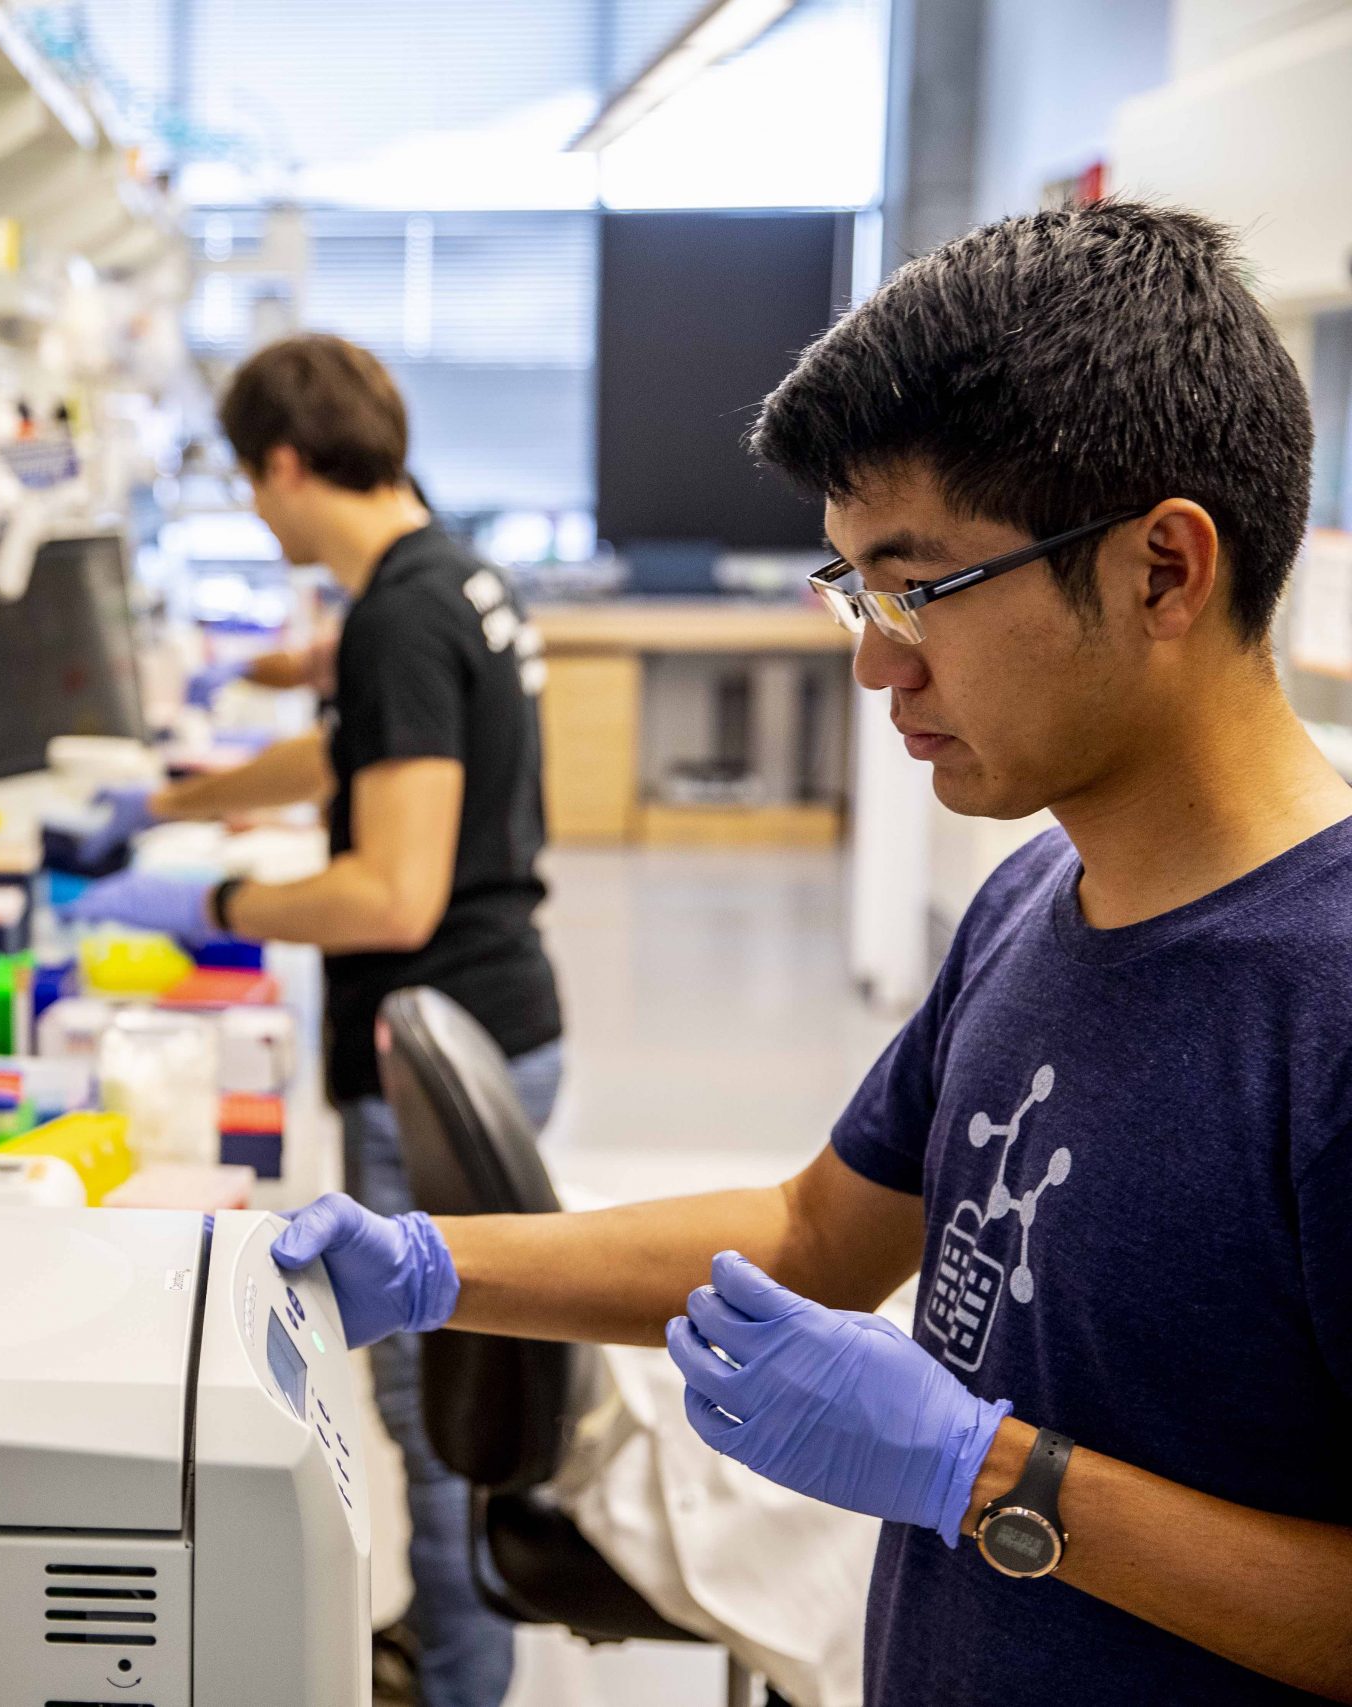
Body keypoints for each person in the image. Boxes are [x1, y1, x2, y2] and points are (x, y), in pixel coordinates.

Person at [271, 200, 1352, 1705]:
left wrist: (991, 1479)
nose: (873, 658)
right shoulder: (1037, 900)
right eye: (855, 587)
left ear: (1162, 572)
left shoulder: (1330, 1005)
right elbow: (819, 1233)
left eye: (918, 587)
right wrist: (444, 1269)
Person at [67, 334, 560, 1706]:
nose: (255, 508)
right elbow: (358, 755)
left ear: (282, 465)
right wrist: (167, 805)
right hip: (494, 1017)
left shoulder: (400, 609)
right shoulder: (440, 570)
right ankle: (452, 1648)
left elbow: (391, 895)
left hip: (434, 1040)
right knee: (448, 1391)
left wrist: (213, 899)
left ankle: (461, 1684)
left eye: (247, 478)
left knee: (434, 1411)